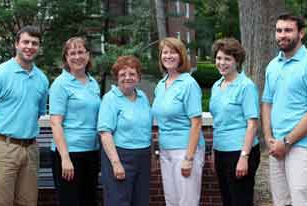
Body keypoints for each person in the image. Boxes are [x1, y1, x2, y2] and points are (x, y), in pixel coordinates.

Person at [0, 26, 49, 206]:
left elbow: (37, 114)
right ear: (16, 44)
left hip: (30, 149)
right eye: (25, 42)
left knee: (27, 202)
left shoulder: (42, 79)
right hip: (2, 148)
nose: (29, 46)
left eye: (34, 43)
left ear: (39, 47)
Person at [262, 13, 307, 206]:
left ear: (301, 33)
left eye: (288, 30)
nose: (282, 35)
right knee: (280, 202)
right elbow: (267, 102)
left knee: (302, 201)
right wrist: (268, 137)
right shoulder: (273, 65)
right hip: (277, 145)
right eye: (279, 30)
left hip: (302, 146)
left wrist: (287, 141)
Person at [151, 37, 205, 206]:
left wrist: (188, 158)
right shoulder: (161, 85)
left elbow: (196, 123)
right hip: (165, 151)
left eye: (173, 52)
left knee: (187, 202)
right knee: (172, 201)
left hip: (185, 150)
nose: (168, 56)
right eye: (165, 52)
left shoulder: (188, 84)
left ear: (181, 56)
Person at [49, 37, 101, 206]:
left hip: (92, 152)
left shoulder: (93, 83)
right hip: (69, 154)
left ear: (88, 55)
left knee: (89, 201)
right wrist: (65, 158)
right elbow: (56, 123)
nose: (77, 57)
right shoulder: (60, 84)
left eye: (81, 52)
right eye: (72, 53)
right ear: (66, 58)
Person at [209, 38, 260, 206]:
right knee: (227, 200)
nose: (221, 63)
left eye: (227, 59)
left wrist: (244, 157)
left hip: (240, 151)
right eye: (219, 58)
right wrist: (214, 153)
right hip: (221, 151)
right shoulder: (216, 86)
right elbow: (217, 122)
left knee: (241, 200)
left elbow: (252, 124)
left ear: (236, 61)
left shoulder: (246, 86)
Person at [98, 55, 152, 206]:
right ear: (116, 78)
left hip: (143, 157)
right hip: (120, 156)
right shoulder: (110, 99)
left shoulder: (143, 97)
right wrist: (116, 163)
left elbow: (146, 129)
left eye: (132, 74)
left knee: (141, 201)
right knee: (118, 201)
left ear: (138, 77)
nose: (127, 77)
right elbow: (105, 133)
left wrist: (151, 156)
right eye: (123, 74)